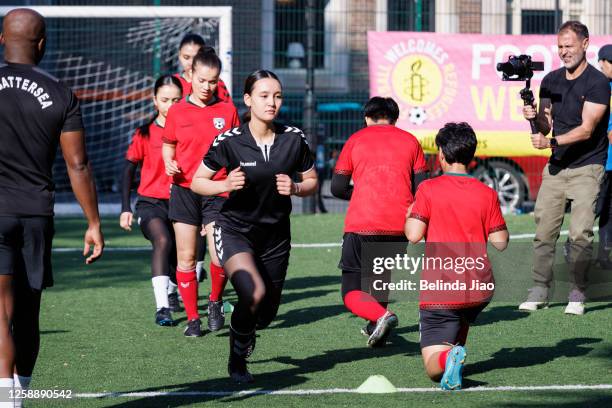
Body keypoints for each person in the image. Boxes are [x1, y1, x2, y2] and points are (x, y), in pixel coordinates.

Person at [0, 8, 104, 406]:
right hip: (36, 215)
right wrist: (93, 222)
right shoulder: (61, 93)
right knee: (27, 314)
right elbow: (78, 164)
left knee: (1, 312)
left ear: (2, 39)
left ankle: (8, 400)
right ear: (42, 44)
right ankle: (18, 395)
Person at [191, 69, 318, 383]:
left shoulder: (294, 138)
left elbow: (313, 180)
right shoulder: (230, 141)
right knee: (253, 291)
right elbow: (197, 181)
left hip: (275, 237)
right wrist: (224, 185)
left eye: (277, 96)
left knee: (266, 313)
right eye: (263, 96)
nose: (271, 102)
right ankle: (237, 357)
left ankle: (246, 324)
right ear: (248, 100)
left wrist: (297, 187)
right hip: (236, 231)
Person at [405, 122, 509, 391]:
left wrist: (410, 214)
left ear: (441, 154)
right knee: (460, 314)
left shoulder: (428, 189)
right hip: (479, 288)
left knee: (432, 368)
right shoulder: (487, 193)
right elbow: (500, 242)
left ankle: (448, 356)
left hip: (443, 288)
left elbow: (414, 235)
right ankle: (454, 353)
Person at [519, 21, 610, 315]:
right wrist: (533, 116)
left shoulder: (598, 83)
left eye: (569, 45)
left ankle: (577, 290)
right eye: (560, 46)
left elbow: (587, 129)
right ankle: (540, 288)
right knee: (544, 232)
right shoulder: (550, 80)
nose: (564, 52)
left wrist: (551, 140)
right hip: (556, 167)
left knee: (580, 233)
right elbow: (545, 123)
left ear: (585, 44)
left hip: (588, 167)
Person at [330, 96, 428, 347]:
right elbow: (422, 189)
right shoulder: (410, 141)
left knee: (350, 291)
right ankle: (377, 325)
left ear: (367, 118)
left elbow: (338, 187)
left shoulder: (355, 140)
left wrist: (360, 193)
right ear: (394, 119)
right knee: (380, 276)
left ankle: (382, 316)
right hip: (400, 224)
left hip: (362, 223)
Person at [162, 51, 239, 337]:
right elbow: (168, 144)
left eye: (213, 81)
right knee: (186, 256)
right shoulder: (178, 111)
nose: (207, 87)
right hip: (184, 190)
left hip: (217, 190)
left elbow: (235, 151)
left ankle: (216, 301)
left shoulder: (227, 109)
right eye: (203, 80)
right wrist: (169, 160)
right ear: (190, 76)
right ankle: (193, 320)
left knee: (219, 255)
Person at [120, 75, 182, 326]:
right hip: (150, 203)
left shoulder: (188, 132)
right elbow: (128, 169)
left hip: (182, 202)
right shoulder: (144, 133)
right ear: (155, 100)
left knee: (185, 253)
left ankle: (177, 290)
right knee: (163, 240)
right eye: (165, 100)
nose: (170, 105)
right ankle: (162, 308)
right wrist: (126, 208)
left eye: (176, 100)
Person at [174, 33, 231, 102]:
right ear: (179, 55)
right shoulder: (172, 82)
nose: (191, 62)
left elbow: (228, 109)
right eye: (186, 57)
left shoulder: (217, 84)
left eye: (196, 58)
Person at [595, 44, 612, 268]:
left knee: (609, 211)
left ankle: (604, 256)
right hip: (601, 160)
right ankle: (574, 248)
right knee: (594, 208)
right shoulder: (599, 88)